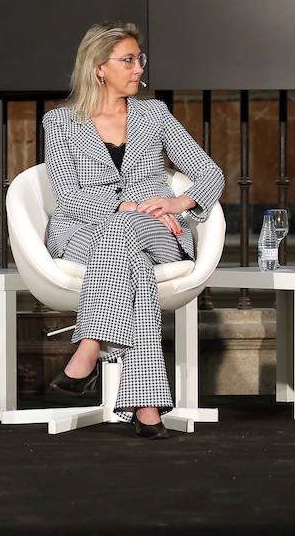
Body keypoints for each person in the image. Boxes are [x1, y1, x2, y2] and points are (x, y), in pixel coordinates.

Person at [42, 22, 224, 439]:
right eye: (128, 60)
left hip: (157, 229)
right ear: (98, 67)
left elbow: (210, 173)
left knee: (126, 229)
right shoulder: (60, 122)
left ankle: (89, 347)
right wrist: (122, 206)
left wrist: (179, 202)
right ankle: (147, 407)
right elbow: (68, 197)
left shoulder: (154, 114)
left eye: (140, 59)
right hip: (84, 233)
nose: (139, 68)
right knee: (134, 265)